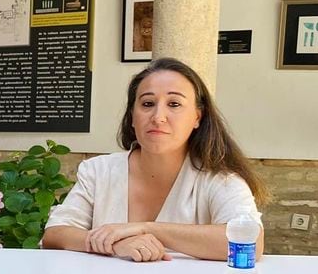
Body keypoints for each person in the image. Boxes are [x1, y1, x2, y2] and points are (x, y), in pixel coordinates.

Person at [41, 57, 267, 262]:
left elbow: (250, 243)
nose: (158, 117)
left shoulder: (220, 179)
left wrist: (146, 229)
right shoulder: (98, 171)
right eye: (147, 104)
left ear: (197, 117)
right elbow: (56, 234)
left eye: (174, 104)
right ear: (132, 116)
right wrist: (116, 243)